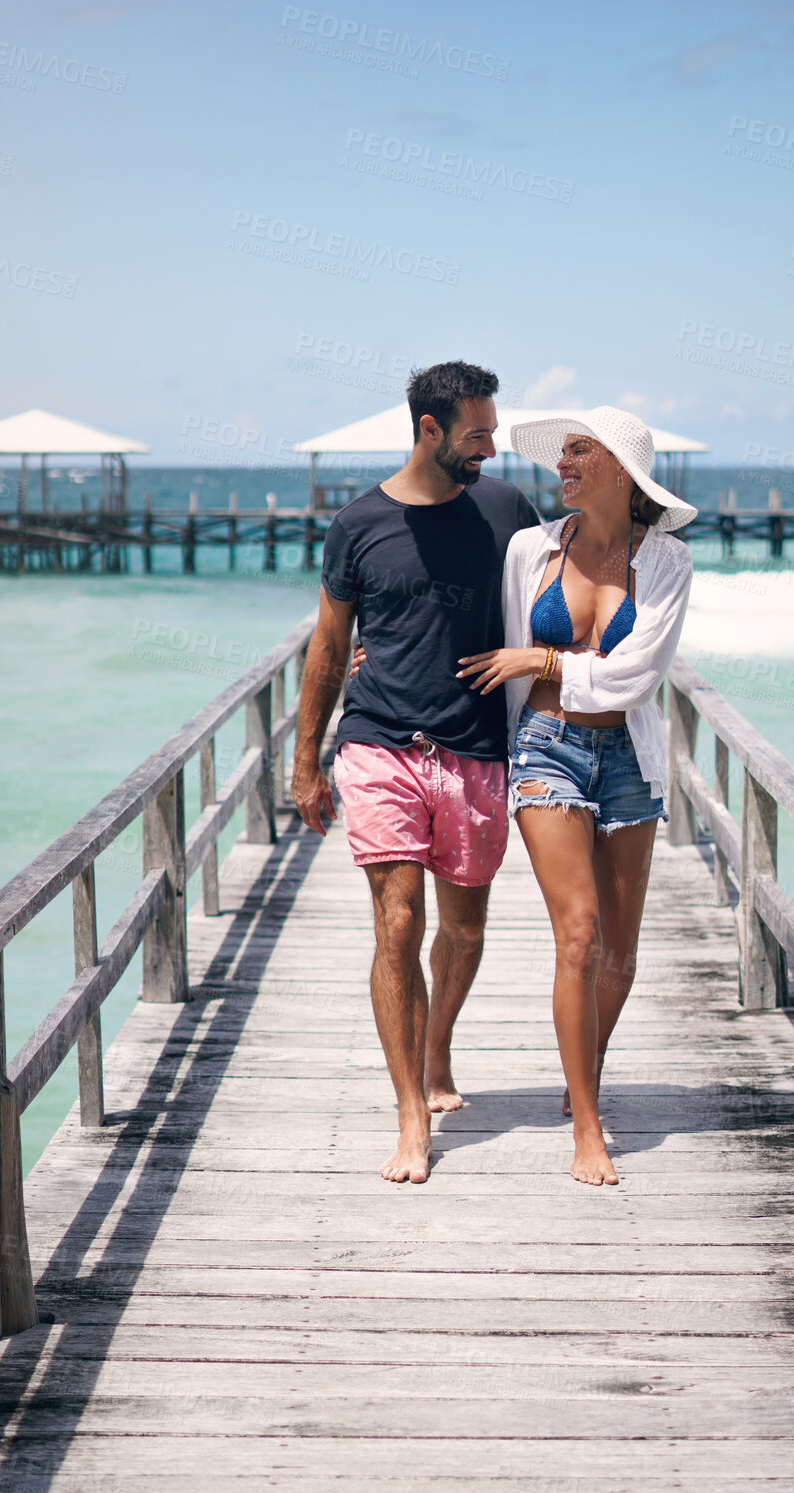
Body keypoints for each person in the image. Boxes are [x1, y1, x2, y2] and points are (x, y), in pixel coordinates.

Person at [292, 361, 539, 1184]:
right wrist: (306, 762)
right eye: (478, 434)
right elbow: (330, 648)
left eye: (492, 432)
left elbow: (565, 596)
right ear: (429, 430)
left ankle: (437, 1052)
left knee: (462, 929)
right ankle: (408, 1114)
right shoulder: (358, 524)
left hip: (476, 749)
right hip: (379, 742)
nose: (491, 448)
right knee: (396, 921)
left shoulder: (507, 511)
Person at [458, 407, 696, 1187]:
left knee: (620, 955)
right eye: (562, 453)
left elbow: (638, 676)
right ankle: (588, 1127)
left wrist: (548, 660)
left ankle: (580, 1072)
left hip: (629, 756)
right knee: (580, 935)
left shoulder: (665, 563)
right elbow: (495, 639)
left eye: (579, 452)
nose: (563, 464)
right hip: (546, 748)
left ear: (622, 472)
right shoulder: (532, 549)